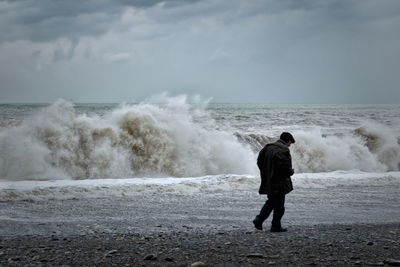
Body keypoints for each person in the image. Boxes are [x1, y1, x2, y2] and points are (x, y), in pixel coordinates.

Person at [253, 132, 295, 232]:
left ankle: (259, 220)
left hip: (268, 180)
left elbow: (259, 162)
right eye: (290, 143)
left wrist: (266, 172)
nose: (290, 145)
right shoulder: (283, 150)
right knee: (279, 206)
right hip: (279, 182)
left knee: (271, 202)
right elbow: (284, 167)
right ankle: (275, 226)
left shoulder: (267, 147)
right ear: (287, 141)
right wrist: (290, 172)